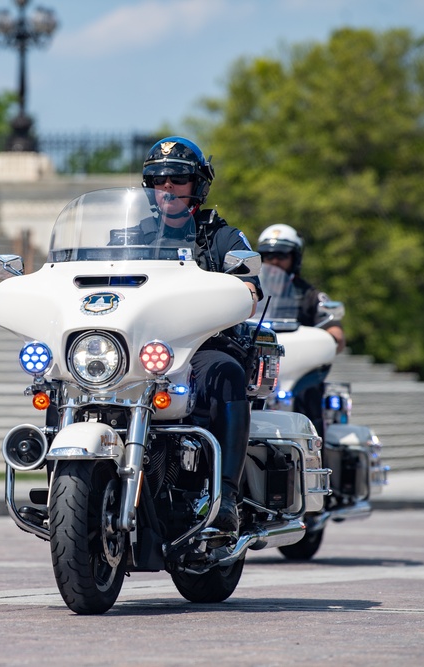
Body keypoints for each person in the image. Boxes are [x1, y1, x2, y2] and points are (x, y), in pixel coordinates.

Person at [137, 136, 260, 535]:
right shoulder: (132, 236)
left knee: (226, 371)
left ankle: (225, 496)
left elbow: (249, 290)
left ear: (198, 186)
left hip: (200, 348)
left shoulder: (222, 236)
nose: (167, 186)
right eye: (158, 179)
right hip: (140, 352)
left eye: (177, 178)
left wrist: (238, 291)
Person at [257, 223, 345, 438]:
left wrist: (326, 340)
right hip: (258, 366)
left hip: (296, 371)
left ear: (294, 258)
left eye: (282, 255)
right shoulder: (251, 293)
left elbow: (337, 336)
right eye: (268, 256)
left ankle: (314, 453)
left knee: (310, 395)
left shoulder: (311, 295)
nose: (274, 261)